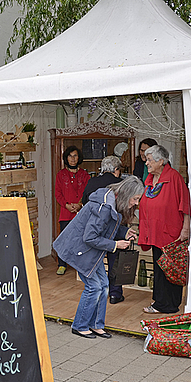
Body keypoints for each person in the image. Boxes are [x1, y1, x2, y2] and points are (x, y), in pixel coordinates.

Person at [54, 177, 144, 339]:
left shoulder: (110, 201)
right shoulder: (104, 207)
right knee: (94, 287)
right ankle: (80, 326)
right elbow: (90, 237)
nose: (136, 203)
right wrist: (115, 245)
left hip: (89, 251)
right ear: (127, 194)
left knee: (103, 285)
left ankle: (96, 325)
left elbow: (106, 228)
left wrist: (124, 233)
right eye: (135, 199)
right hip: (80, 250)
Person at [138, 145, 191, 314]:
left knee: (170, 268)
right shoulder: (150, 180)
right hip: (154, 232)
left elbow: (185, 204)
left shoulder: (174, 177)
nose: (147, 163)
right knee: (159, 268)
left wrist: (186, 227)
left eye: (150, 160)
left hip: (170, 232)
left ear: (161, 161)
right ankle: (161, 302)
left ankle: (168, 304)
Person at [81, 156, 125, 304]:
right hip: (114, 228)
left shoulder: (92, 182)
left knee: (96, 260)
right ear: (116, 170)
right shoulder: (121, 183)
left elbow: (84, 203)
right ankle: (115, 294)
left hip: (94, 228)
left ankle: (97, 291)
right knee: (115, 260)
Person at [54, 145, 90, 275]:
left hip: (81, 213)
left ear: (79, 158)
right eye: (70, 156)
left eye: (75, 156)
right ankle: (62, 264)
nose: (73, 158)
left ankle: (79, 264)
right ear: (66, 158)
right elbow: (58, 194)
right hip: (65, 212)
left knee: (81, 239)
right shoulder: (60, 174)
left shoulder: (85, 175)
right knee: (64, 239)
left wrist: (80, 204)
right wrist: (67, 205)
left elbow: (87, 192)